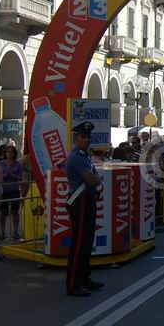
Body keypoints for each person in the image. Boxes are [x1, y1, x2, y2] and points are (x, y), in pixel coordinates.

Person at [65, 122, 104, 297]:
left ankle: (85, 278)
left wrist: (95, 178)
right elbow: (93, 180)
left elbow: (95, 178)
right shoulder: (76, 157)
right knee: (79, 243)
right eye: (83, 137)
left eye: (88, 137)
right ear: (76, 138)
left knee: (87, 241)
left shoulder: (84, 156)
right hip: (80, 201)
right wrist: (95, 178)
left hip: (88, 200)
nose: (87, 140)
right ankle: (73, 284)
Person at [0, 145, 23, 240]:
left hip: (14, 190)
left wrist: (11, 174)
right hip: (3, 190)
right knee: (3, 212)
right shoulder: (1, 164)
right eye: (8, 152)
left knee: (15, 211)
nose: (10, 154)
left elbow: (20, 177)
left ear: (14, 153)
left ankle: (15, 232)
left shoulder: (18, 164)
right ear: (5, 153)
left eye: (12, 152)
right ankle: (2, 232)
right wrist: (4, 175)